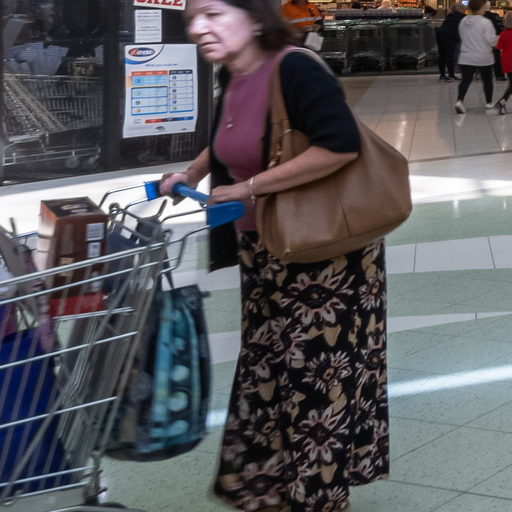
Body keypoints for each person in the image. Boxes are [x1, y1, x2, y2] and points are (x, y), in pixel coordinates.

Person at [160, 1, 390, 511]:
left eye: (213, 14)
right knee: (267, 366)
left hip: (322, 254)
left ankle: (319, 498)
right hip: (263, 247)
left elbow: (339, 145)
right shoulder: (233, 73)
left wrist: (251, 187)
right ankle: (269, 486)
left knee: (315, 378)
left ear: (254, 16)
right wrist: (191, 174)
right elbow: (229, 137)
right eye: (192, 18)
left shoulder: (295, 68)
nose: (198, 28)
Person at [454, 0, 497, 113]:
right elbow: (491, 40)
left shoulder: (463, 21)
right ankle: (488, 102)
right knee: (487, 80)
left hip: (466, 56)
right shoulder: (485, 22)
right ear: (481, 8)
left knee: (465, 80)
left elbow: (461, 36)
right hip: (483, 56)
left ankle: (459, 101)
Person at [435, 3, 466, 81]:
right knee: (450, 56)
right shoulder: (463, 16)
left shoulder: (449, 16)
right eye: (464, 9)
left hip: (440, 34)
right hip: (450, 36)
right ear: (461, 9)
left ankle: (442, 76)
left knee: (442, 56)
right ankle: (451, 75)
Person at [494, 11, 512, 114]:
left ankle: (502, 102)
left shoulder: (503, 34)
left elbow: (499, 47)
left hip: (506, 62)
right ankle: (502, 101)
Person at [484, 8, 507, 80]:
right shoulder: (494, 16)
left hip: (482, 41)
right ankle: (499, 75)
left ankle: (485, 75)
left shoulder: (478, 17)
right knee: (496, 57)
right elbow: (500, 27)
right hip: (494, 39)